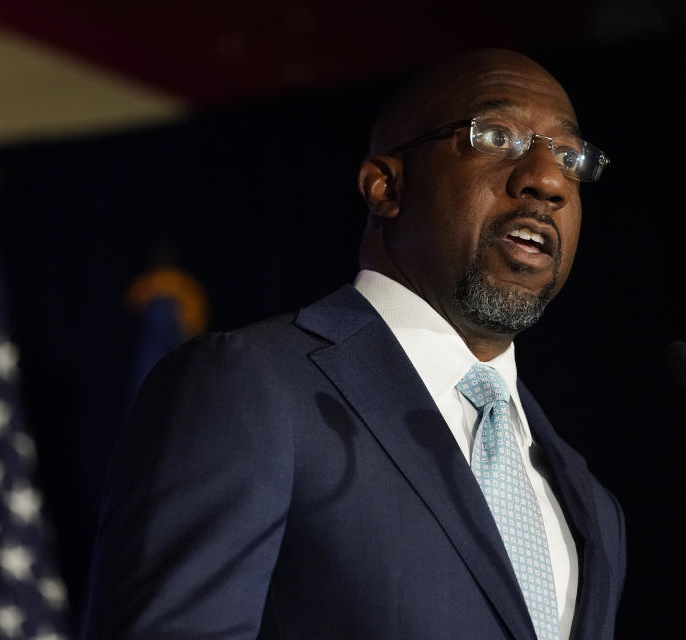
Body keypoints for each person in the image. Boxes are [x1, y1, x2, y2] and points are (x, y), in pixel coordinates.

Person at [82, 49, 626, 640]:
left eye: (570, 156)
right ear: (385, 187)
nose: (548, 180)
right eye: (496, 135)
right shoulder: (251, 388)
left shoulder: (592, 504)